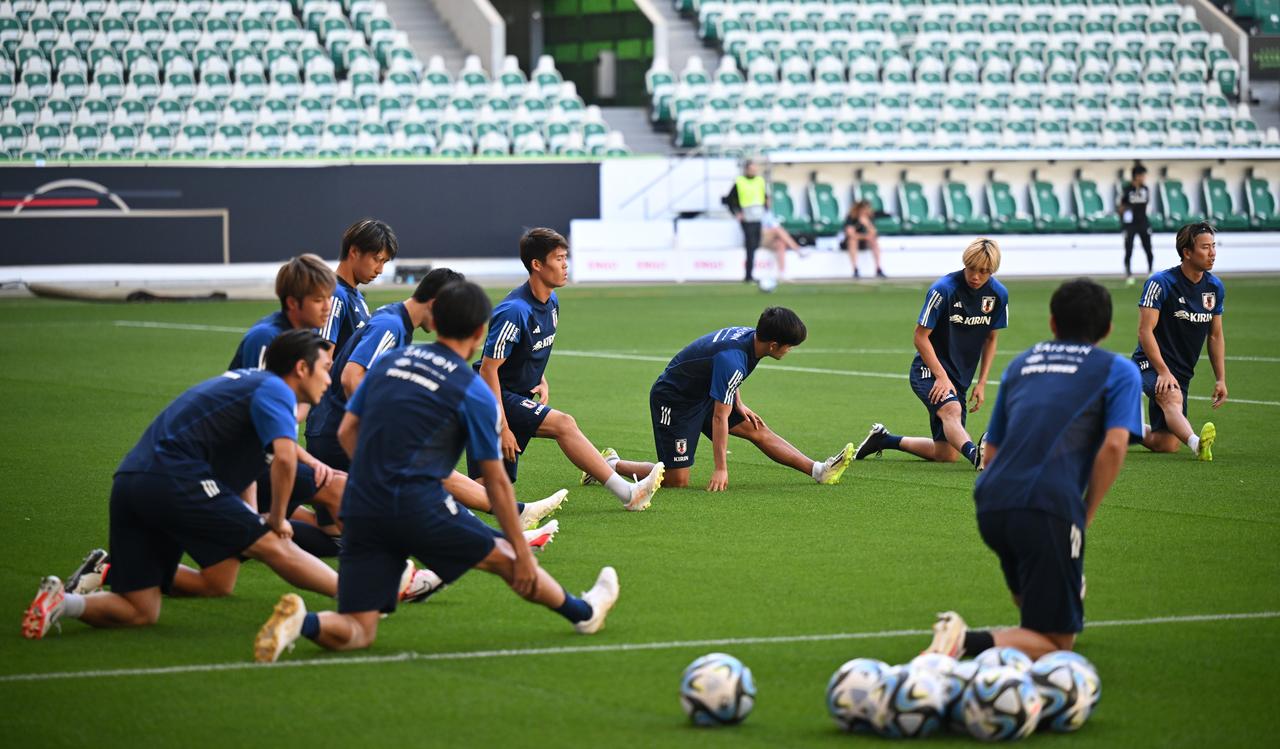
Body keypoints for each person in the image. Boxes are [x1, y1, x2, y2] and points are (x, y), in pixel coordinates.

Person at [252, 282, 620, 662]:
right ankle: (585, 613)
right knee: (505, 561)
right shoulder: (473, 391)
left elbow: (348, 431)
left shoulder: (396, 359)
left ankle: (304, 624)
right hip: (419, 507)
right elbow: (495, 482)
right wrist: (521, 552)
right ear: (479, 334)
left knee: (359, 628)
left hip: (364, 504)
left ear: (437, 320)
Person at [22, 331, 342, 639]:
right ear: (301, 368)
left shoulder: (251, 385)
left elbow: (247, 466)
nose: (329, 379)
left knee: (140, 610)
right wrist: (274, 519)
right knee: (273, 544)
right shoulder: (276, 390)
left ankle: (61, 603)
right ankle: (357, 594)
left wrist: (248, 515)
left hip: (131, 481)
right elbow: (285, 460)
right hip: (175, 478)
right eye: (326, 369)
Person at [923, 278, 1142, 660]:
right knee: (1058, 643)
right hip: (1047, 506)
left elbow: (991, 449)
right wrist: (1082, 515)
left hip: (991, 502)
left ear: (1053, 322)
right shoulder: (1119, 371)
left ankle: (1043, 611)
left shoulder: (1024, 363)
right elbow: (1114, 445)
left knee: (1031, 606)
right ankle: (962, 643)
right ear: (1107, 330)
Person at [306, 267, 568, 531]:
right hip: (334, 438)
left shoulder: (396, 320)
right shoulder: (391, 325)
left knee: (333, 531)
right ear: (436, 303)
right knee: (421, 474)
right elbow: (352, 377)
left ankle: (509, 520)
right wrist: (375, 427)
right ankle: (507, 528)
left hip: (330, 432)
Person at [471, 228, 664, 511]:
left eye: (566, 258)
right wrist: (501, 425)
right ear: (537, 264)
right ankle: (628, 493)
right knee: (564, 424)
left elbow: (531, 348)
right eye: (559, 258)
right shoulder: (514, 311)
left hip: (516, 396)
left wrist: (540, 378)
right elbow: (489, 371)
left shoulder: (552, 302)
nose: (565, 265)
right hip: (489, 397)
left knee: (485, 485)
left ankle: (424, 511)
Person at [602, 307, 853, 492]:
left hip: (705, 392)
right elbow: (719, 417)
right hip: (674, 401)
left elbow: (727, 376)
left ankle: (818, 470)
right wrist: (721, 468)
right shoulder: (734, 359)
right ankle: (609, 465)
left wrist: (738, 402)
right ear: (774, 345)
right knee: (676, 481)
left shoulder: (752, 338)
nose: (790, 350)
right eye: (789, 346)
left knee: (757, 428)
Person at [854, 238, 1008, 470]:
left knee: (946, 453)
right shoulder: (943, 290)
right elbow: (920, 336)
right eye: (973, 269)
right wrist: (941, 376)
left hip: (960, 376)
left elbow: (991, 338)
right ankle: (977, 455)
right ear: (965, 263)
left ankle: (884, 439)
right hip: (928, 370)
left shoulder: (998, 294)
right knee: (951, 410)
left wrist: (982, 382)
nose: (977, 276)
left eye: (985, 272)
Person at [229, 254, 346, 547]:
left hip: (268, 452)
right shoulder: (266, 339)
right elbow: (253, 422)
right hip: (240, 461)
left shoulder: (304, 338)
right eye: (320, 300)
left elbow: (285, 413)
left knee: (325, 530)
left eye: (328, 298)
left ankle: (261, 524)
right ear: (293, 303)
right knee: (340, 489)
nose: (328, 307)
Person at [1131, 222, 1226, 460]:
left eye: (1213, 246)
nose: (1212, 253)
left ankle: (1113, 428)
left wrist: (1221, 378)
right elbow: (1145, 331)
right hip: (1151, 364)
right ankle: (1197, 445)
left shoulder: (1214, 288)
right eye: (1205, 247)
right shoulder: (1160, 283)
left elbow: (1214, 335)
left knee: (1167, 443)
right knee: (1171, 396)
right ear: (1187, 252)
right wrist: (1162, 371)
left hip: (1182, 372)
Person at [321, 218, 398, 351]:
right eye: (377, 260)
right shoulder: (335, 294)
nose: (380, 270)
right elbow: (322, 360)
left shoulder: (356, 297)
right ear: (354, 252)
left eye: (384, 263)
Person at [724, 160, 768, 283]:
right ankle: (749, 276)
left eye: (755, 169)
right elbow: (729, 200)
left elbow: (764, 196)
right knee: (750, 246)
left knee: (756, 244)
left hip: (758, 217)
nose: (754, 171)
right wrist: (737, 213)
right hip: (747, 219)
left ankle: (751, 274)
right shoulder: (740, 182)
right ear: (746, 169)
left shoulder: (760, 181)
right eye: (751, 169)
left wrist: (766, 207)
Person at [1117, 165, 1153, 286]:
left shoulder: (1145, 189)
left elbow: (1146, 203)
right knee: (1129, 249)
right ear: (1136, 176)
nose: (1144, 178)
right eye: (1142, 175)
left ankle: (1150, 271)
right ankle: (1129, 273)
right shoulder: (1127, 190)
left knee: (1148, 248)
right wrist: (1124, 211)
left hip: (1143, 222)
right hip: (1130, 224)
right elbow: (1121, 206)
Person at [842, 200, 885, 279]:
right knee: (852, 241)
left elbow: (874, 233)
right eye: (864, 209)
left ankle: (878, 268)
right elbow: (851, 234)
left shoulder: (869, 218)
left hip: (864, 242)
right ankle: (855, 269)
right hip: (849, 243)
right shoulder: (851, 217)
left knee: (874, 241)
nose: (866, 211)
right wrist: (866, 236)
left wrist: (867, 224)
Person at [760, 210, 801, 280]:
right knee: (778, 230)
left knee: (781, 243)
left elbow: (775, 225)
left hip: (768, 239)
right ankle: (798, 249)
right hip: (759, 239)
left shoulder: (770, 213)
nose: (770, 202)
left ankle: (782, 273)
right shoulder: (758, 213)